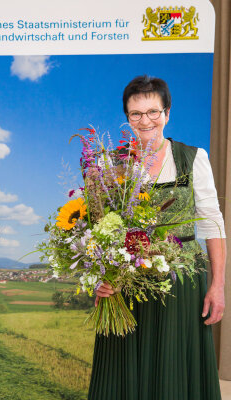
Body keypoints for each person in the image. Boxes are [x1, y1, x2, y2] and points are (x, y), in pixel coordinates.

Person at [89, 75, 226, 399]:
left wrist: (218, 285)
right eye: (136, 114)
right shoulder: (111, 164)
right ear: (127, 118)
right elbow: (98, 228)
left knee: (173, 368)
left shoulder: (193, 158)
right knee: (124, 371)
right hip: (127, 282)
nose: (145, 121)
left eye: (153, 112)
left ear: (167, 113)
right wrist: (101, 276)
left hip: (181, 282)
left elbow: (212, 224)